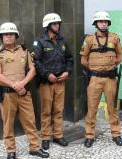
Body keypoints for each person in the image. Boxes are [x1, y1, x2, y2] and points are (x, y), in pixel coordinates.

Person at [0, 22, 49, 159]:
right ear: (1, 36)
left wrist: (22, 84)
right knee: (8, 123)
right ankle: (11, 150)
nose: (8, 36)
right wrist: (15, 85)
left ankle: (34, 147)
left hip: (24, 93)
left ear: (16, 36)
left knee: (30, 121)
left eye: (11, 34)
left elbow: (33, 70)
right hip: (7, 94)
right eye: (6, 34)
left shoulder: (25, 51)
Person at [80, 11, 122, 148]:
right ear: (96, 24)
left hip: (110, 79)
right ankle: (89, 135)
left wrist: (109, 67)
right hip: (94, 79)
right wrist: (95, 69)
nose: (103, 23)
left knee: (112, 108)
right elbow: (83, 60)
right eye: (101, 21)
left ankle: (116, 134)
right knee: (91, 108)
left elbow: (119, 57)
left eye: (105, 21)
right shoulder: (89, 39)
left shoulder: (115, 38)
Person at [32, 13, 73, 150]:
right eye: (55, 24)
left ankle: (58, 136)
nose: (58, 26)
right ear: (48, 26)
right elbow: (35, 62)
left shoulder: (63, 40)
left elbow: (70, 58)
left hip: (60, 81)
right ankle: (45, 137)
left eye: (58, 24)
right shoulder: (40, 41)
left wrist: (67, 71)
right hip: (46, 82)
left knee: (58, 110)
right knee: (46, 111)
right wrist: (47, 74)